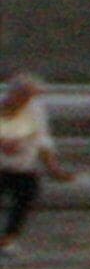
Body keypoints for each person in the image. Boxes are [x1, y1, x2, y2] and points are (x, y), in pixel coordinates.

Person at [0, 75, 67, 250]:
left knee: (25, 198)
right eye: (23, 95)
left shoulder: (35, 109)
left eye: (30, 96)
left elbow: (42, 139)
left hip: (23, 166)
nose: (26, 101)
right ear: (12, 93)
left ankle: (8, 240)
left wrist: (52, 166)